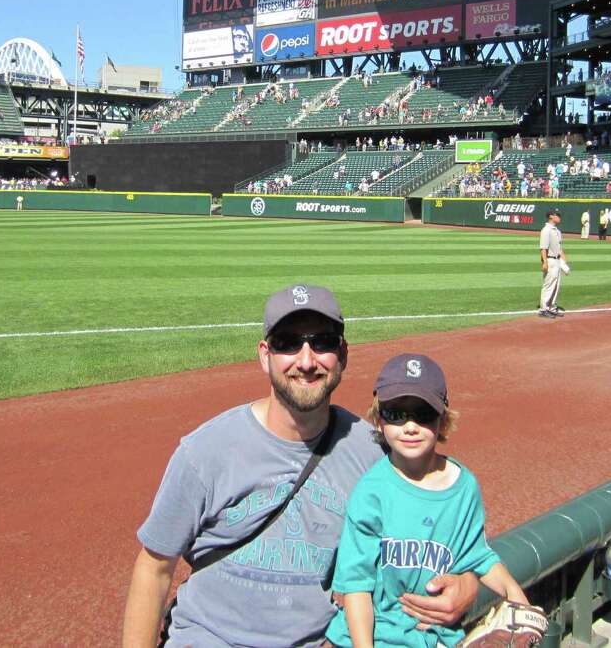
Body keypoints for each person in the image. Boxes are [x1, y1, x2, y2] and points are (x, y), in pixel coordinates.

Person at [121, 285, 480, 647]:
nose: (306, 361)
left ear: (342, 354)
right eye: (288, 342)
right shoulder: (205, 452)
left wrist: (467, 584)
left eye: (322, 342)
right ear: (265, 354)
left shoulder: (371, 452)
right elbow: (154, 569)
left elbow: (433, 527)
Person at [324, 353, 532, 647]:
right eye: (396, 413)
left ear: (442, 420)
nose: (410, 426)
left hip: (434, 637)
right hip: (375, 635)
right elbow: (356, 586)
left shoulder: (464, 487)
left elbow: (478, 556)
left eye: (423, 414)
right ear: (379, 420)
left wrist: (516, 596)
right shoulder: (371, 491)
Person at [538, 210, 568, 319]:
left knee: (556, 286)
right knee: (548, 285)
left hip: (557, 260)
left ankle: (551, 306)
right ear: (551, 216)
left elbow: (559, 247)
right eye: (557, 215)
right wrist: (544, 262)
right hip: (550, 260)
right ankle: (543, 309)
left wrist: (563, 258)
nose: (559, 217)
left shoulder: (557, 231)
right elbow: (543, 248)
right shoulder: (546, 230)